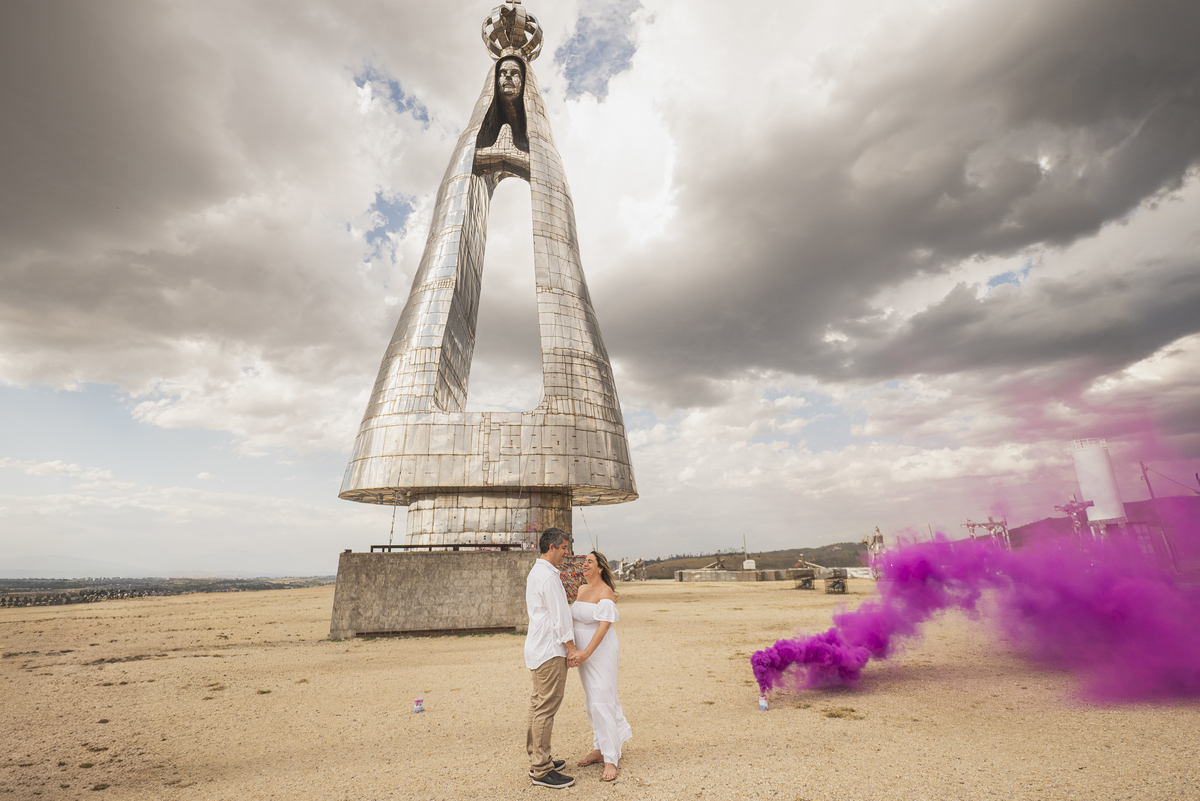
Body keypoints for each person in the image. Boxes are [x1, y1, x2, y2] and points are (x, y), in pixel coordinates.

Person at [568, 551, 632, 782]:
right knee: (592, 701)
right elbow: (575, 620)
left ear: (600, 568)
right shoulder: (582, 589)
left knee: (602, 698)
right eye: (584, 562)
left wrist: (585, 652)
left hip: (600, 651)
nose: (584, 565)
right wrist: (572, 649)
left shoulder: (605, 592)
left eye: (589, 562)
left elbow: (604, 626)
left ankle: (611, 758)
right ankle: (599, 747)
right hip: (583, 653)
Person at [525, 527, 578, 789]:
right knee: (546, 708)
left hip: (537, 648)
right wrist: (572, 647)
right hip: (550, 650)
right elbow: (560, 616)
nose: (567, 553)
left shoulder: (537, 573)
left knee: (537, 705)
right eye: (564, 548)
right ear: (552, 547)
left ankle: (538, 757)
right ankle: (542, 769)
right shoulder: (549, 578)